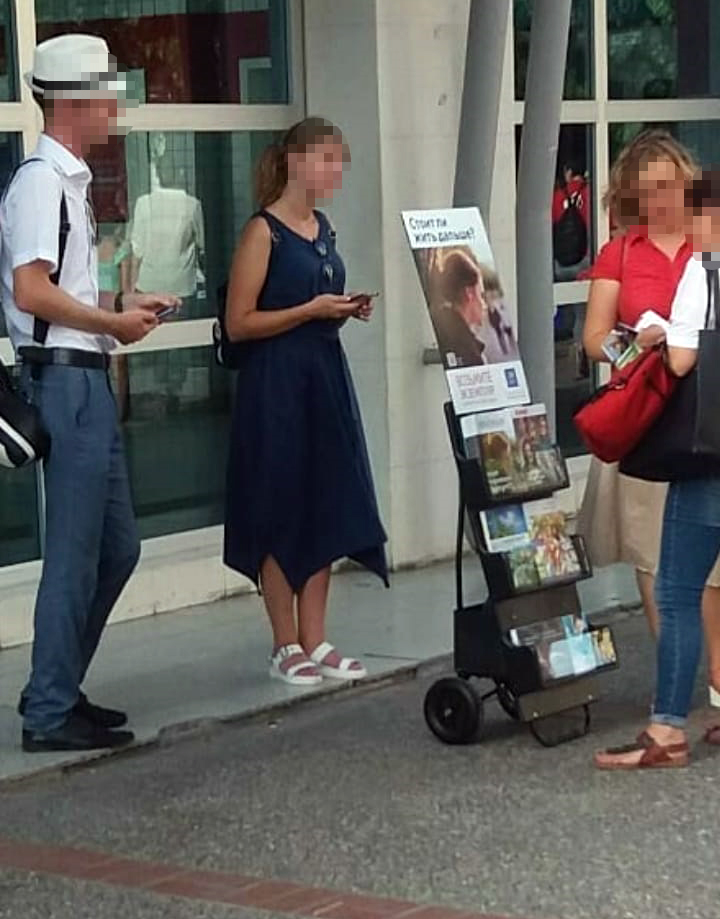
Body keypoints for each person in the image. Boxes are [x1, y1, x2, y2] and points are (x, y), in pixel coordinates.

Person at [0, 34, 179, 752]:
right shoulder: (42, 183)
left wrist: (120, 303)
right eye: (108, 92)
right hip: (66, 380)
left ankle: (56, 686)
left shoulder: (63, 181)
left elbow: (57, 291)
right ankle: (49, 710)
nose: (117, 105)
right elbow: (30, 290)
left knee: (116, 548)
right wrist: (113, 323)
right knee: (78, 553)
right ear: (74, 100)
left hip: (82, 377)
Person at [223, 117, 388, 686]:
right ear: (296, 161)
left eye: (340, 163)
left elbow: (317, 301)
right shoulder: (263, 232)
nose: (335, 173)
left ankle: (316, 637)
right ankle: (284, 641)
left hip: (323, 374)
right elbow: (239, 322)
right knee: (278, 502)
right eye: (327, 161)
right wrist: (309, 311)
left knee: (324, 499)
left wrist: (342, 309)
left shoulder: (323, 229)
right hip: (275, 382)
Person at [578, 130, 720, 708]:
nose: (661, 199)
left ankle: (714, 677)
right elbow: (594, 339)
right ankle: (677, 681)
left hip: (708, 412)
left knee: (710, 562)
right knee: (652, 552)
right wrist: (636, 345)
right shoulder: (622, 251)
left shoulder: (708, 241)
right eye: (647, 190)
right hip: (649, 413)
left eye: (670, 186)